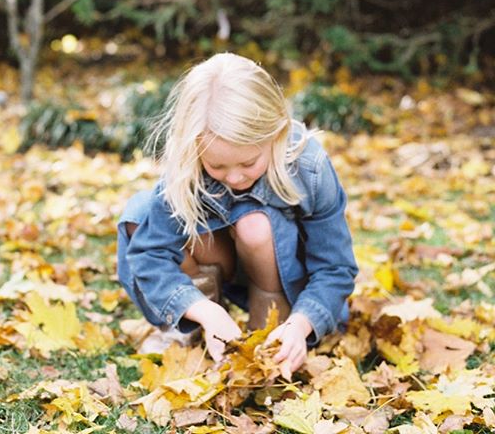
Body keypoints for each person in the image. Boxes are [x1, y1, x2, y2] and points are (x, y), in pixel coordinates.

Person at [117, 52, 358, 377]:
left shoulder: (309, 166)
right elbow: (150, 253)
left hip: (284, 276)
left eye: (248, 163)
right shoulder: (188, 163)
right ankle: (200, 328)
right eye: (216, 166)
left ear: (277, 134)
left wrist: (302, 324)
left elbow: (335, 267)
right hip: (225, 265)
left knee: (255, 223)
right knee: (140, 212)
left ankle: (271, 319)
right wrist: (204, 311)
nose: (234, 177)